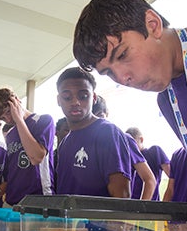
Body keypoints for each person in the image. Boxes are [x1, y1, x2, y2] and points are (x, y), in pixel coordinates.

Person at [73, 0, 187, 231]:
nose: (123, 77)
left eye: (122, 54)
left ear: (152, 24)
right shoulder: (168, 100)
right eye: (108, 72)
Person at [55, 67, 132, 197]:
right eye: (67, 97)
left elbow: (121, 195)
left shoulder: (108, 133)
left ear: (94, 97)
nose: (75, 102)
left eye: (83, 96)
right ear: (58, 100)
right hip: (68, 217)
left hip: (98, 218)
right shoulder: (65, 142)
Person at [0, 87, 55, 206]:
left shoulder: (43, 121)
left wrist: (19, 119)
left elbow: (37, 157)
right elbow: (10, 172)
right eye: (3, 118)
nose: (8, 119)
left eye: (8, 112)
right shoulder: (11, 135)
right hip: (12, 201)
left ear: (16, 101)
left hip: (39, 199)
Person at [93, 95, 156, 200]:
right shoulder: (85, 142)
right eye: (93, 118)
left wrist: (138, 214)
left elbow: (149, 180)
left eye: (100, 116)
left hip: (117, 211)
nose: (98, 122)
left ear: (107, 113)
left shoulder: (123, 139)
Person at [126, 126, 170, 200]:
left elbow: (172, 176)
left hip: (150, 204)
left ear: (141, 139)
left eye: (133, 143)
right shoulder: (128, 159)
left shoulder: (155, 151)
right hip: (131, 203)